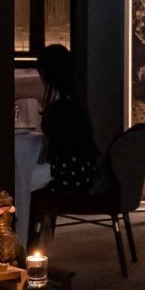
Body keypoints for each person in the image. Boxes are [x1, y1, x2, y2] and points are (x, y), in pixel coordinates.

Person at [35, 43, 102, 194]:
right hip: (83, 170)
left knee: (23, 179)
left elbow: (57, 146)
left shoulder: (61, 107)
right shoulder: (74, 100)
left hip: (68, 172)